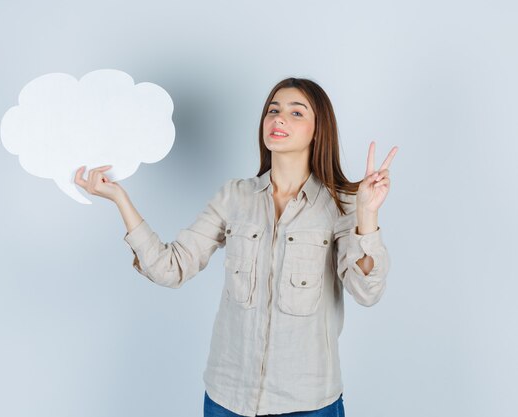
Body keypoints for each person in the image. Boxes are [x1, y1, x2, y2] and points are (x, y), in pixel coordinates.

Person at [74, 77, 398, 417]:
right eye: (273, 110)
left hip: (309, 403)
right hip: (228, 399)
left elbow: (366, 292)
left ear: (318, 131)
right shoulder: (235, 197)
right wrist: (119, 198)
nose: (278, 119)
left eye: (296, 112)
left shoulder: (340, 203)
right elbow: (170, 268)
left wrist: (366, 213)